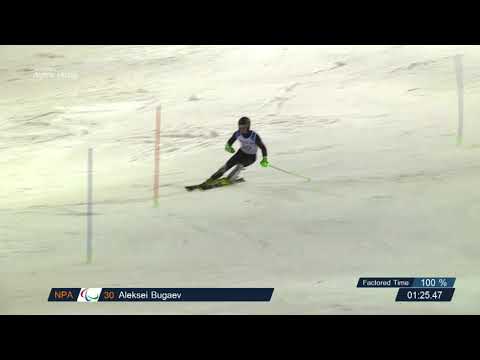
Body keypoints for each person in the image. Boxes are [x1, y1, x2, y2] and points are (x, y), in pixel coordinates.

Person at [206, 116, 269, 183]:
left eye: (243, 127)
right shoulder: (237, 133)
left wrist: (264, 159)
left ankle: (229, 179)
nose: (241, 129)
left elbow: (263, 147)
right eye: (240, 127)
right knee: (228, 165)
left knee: (239, 166)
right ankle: (212, 178)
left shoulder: (254, 136)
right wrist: (228, 147)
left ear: (248, 127)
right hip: (241, 153)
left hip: (251, 157)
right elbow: (230, 141)